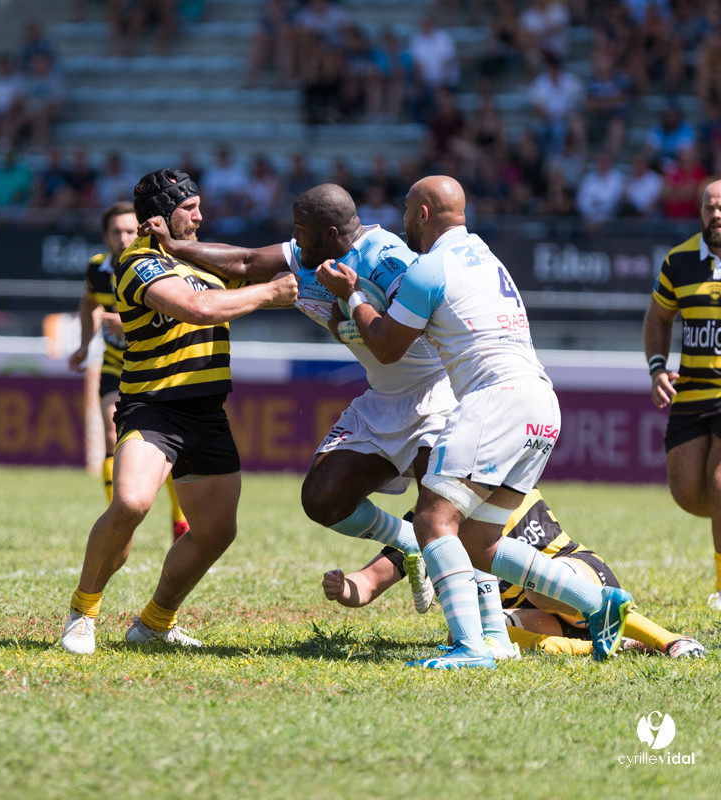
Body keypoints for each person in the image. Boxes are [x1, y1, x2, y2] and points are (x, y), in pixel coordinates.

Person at [317, 175, 632, 668]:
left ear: (422, 214)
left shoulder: (429, 268)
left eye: (406, 209)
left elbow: (386, 346)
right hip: (542, 402)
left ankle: (470, 647)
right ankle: (598, 603)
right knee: (480, 542)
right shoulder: (486, 256)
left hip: (495, 400)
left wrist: (352, 294)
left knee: (432, 520)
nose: (402, 219)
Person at [142, 184, 482, 633]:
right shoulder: (309, 254)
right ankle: (408, 545)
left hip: (436, 394)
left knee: (442, 519)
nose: (293, 240)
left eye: (301, 231)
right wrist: (177, 247)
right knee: (322, 499)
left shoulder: (386, 257)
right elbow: (244, 261)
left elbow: (403, 338)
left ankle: (481, 631)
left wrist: (352, 308)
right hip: (383, 398)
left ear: (331, 232)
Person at [59, 169, 299, 655]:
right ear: (162, 214)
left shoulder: (203, 259)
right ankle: (82, 612)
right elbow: (199, 308)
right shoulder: (138, 263)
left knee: (216, 533)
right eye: (189, 208)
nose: (199, 216)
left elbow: (259, 269)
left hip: (207, 411)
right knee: (130, 503)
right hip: (154, 409)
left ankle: (154, 621)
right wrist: (270, 293)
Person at [322, 490, 706, 659]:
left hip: (579, 577)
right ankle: (613, 645)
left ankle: (670, 640)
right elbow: (368, 584)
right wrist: (344, 587)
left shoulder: (505, 486)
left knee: (538, 590)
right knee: (472, 631)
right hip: (531, 617)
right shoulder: (427, 523)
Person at [68, 201, 190, 544]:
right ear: (105, 236)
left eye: (129, 230)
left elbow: (176, 314)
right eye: (115, 231)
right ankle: (117, 527)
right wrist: (82, 344)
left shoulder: (158, 264)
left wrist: (127, 325)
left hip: (156, 367)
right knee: (111, 433)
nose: (123, 237)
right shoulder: (97, 269)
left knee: (165, 444)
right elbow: (89, 303)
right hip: (115, 365)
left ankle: (180, 518)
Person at [644, 179, 721, 612]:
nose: (716, 214)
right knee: (689, 492)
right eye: (709, 207)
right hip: (691, 394)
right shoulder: (680, 260)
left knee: (719, 483)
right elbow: (657, 318)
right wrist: (657, 368)